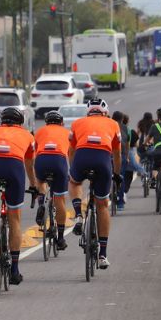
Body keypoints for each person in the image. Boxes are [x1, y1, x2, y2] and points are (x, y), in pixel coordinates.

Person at [0, 107, 37, 285]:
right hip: (14, 168)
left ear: (2, 121)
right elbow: (29, 165)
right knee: (15, 219)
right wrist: (33, 185)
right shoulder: (28, 136)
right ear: (20, 122)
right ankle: (14, 270)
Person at [69, 99, 123, 269]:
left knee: (74, 182)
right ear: (104, 112)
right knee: (102, 206)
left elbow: (71, 150)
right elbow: (117, 153)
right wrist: (116, 174)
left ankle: (78, 214)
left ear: (89, 112)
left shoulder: (77, 123)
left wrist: (73, 169)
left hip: (82, 157)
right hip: (103, 161)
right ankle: (102, 255)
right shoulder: (113, 124)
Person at [32, 110, 72, 251]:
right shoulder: (67, 132)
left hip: (42, 159)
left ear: (46, 122)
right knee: (60, 199)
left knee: (41, 181)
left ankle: (41, 203)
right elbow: (70, 154)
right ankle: (60, 237)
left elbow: (35, 151)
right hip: (58, 161)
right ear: (61, 123)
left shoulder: (39, 131)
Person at [111, 111, 130, 210]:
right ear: (122, 119)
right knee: (120, 178)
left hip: (109, 154)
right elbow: (127, 143)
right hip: (121, 155)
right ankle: (120, 203)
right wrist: (127, 156)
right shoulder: (126, 128)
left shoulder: (109, 125)